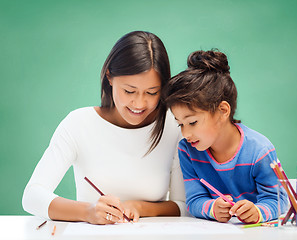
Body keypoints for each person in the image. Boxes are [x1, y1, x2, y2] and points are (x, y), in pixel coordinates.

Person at [22, 31, 187, 225]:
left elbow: (183, 205)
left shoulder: (174, 125)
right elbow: (32, 196)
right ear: (109, 77)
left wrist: (139, 207)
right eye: (129, 91)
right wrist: (88, 211)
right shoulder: (78, 123)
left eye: (152, 92)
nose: (140, 103)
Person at [164, 49, 288, 224]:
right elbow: (194, 200)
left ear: (223, 111)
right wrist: (212, 208)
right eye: (180, 124)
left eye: (192, 122)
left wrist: (257, 212)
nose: (185, 133)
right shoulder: (188, 150)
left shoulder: (259, 150)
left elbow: (278, 200)